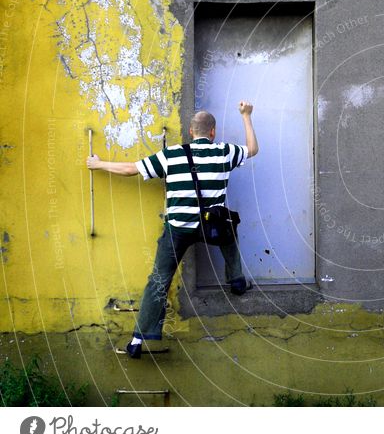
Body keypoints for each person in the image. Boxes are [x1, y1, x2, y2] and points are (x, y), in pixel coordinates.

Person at [86, 101, 259, 358]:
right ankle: (236, 280)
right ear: (212, 132)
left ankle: (137, 339)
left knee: (158, 279)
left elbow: (131, 169)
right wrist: (246, 115)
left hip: (177, 229)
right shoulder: (224, 152)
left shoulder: (173, 155)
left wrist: (98, 164)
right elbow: (253, 149)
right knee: (228, 227)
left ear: (191, 132)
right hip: (211, 226)